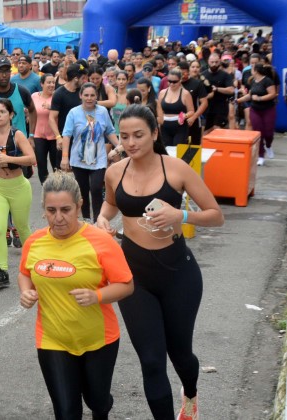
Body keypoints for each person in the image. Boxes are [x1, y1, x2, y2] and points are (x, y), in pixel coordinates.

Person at [96, 105, 224, 420]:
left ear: (154, 133)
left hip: (178, 272)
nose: (130, 142)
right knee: (152, 360)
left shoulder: (177, 169)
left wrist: (180, 214)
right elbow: (108, 207)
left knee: (180, 355)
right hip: (133, 276)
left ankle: (190, 394)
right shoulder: (115, 172)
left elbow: (216, 215)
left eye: (138, 135)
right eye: (124, 136)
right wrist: (101, 220)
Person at [19, 171, 133, 420]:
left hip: (98, 339)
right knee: (67, 411)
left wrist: (97, 296)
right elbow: (24, 272)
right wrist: (25, 291)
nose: (58, 218)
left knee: (97, 402)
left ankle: (101, 405)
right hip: (53, 339)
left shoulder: (101, 241)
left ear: (79, 205)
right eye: (51, 210)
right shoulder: (35, 242)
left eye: (65, 210)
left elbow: (126, 285)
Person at [0, 99, 36, 287]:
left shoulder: (18, 135)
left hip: (18, 186)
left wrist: (9, 158)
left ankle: (33, 266)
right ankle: (2, 271)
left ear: (11, 115)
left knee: (22, 228)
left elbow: (31, 159)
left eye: (2, 112)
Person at [61, 83, 120, 222]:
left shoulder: (102, 111)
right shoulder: (73, 112)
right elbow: (67, 135)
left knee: (96, 189)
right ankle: (86, 219)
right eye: (86, 95)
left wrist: (120, 147)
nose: (89, 98)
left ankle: (99, 220)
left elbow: (110, 131)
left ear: (97, 97)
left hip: (98, 159)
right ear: (80, 96)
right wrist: (65, 157)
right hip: (78, 159)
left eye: (92, 95)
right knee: (82, 191)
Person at [238, 63, 278, 166]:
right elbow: (250, 95)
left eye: (252, 68)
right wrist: (238, 100)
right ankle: (260, 155)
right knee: (258, 133)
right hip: (255, 109)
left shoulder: (267, 81)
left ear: (256, 71)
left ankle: (268, 145)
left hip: (268, 109)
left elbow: (273, 94)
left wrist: (260, 98)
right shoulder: (252, 81)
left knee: (268, 133)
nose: (251, 70)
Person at [31, 73, 59, 184]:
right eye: (49, 82)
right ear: (42, 84)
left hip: (54, 136)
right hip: (38, 136)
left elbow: (64, 113)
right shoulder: (34, 96)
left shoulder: (57, 96)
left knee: (56, 165)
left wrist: (52, 107)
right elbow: (31, 112)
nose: (52, 85)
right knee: (41, 165)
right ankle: (46, 188)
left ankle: (58, 188)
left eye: (53, 82)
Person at [157, 69, 195, 147]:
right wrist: (159, 122)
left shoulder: (185, 94)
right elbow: (159, 109)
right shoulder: (162, 93)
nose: (171, 84)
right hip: (165, 125)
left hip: (180, 126)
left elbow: (191, 111)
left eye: (174, 82)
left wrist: (185, 116)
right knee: (166, 150)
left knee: (178, 150)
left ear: (180, 80)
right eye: (169, 81)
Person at [178, 61, 209, 145]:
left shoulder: (197, 84)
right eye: (180, 72)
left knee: (192, 150)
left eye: (184, 72)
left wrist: (194, 117)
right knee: (176, 149)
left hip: (192, 122)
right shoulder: (174, 84)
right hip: (176, 122)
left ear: (188, 72)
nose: (182, 74)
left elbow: (204, 103)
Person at [202, 54, 235, 130]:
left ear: (220, 62)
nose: (214, 64)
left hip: (221, 108)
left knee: (217, 130)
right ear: (208, 62)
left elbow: (231, 90)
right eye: (212, 62)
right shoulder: (203, 75)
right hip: (207, 108)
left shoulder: (225, 75)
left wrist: (217, 89)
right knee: (205, 132)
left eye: (216, 62)